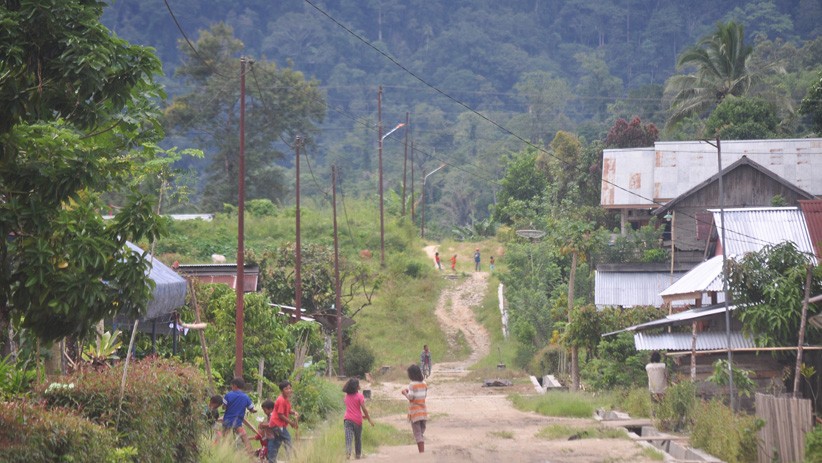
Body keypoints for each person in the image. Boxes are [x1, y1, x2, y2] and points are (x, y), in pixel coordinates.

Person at [342, 377, 374, 459]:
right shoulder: (360, 396)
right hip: (357, 421)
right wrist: (369, 418)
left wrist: (362, 416)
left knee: (348, 438)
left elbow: (351, 409)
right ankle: (358, 455)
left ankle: (348, 453)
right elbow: (364, 409)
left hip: (347, 419)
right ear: (357, 387)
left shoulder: (346, 397)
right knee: (358, 438)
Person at [222, 377, 256, 452]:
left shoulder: (228, 395)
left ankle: (224, 453)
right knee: (244, 438)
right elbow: (251, 409)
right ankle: (251, 455)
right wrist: (253, 411)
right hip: (238, 422)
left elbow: (224, 407)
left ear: (235, 385)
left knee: (225, 438)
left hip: (227, 420)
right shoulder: (246, 397)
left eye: (232, 385)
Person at [268, 380, 299, 461]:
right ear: (282, 390)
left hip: (277, 424)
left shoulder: (286, 399)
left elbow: (287, 410)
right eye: (286, 389)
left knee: (276, 442)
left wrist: (294, 412)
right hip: (277, 424)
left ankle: (271, 460)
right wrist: (291, 422)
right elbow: (280, 415)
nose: (289, 390)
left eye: (290, 388)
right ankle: (291, 459)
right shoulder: (281, 400)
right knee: (287, 440)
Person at [401, 364, 428, 453]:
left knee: (417, 434)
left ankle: (421, 453)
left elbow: (411, 397)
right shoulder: (424, 383)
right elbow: (423, 395)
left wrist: (405, 393)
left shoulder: (412, 384)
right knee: (421, 432)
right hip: (423, 411)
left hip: (415, 412)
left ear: (411, 374)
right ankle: (422, 451)